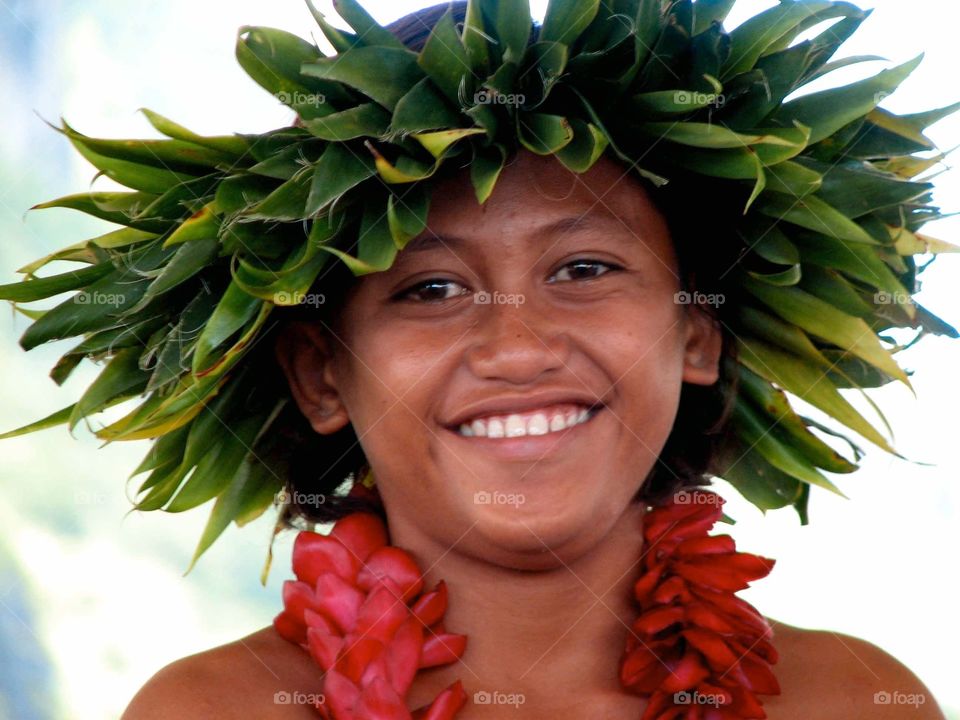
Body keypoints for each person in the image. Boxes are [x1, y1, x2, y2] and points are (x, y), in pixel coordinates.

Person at [1, 0, 953, 717]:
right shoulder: (211, 712)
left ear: (696, 333)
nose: (519, 345)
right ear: (321, 377)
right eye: (429, 290)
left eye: (584, 267)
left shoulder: (852, 697)